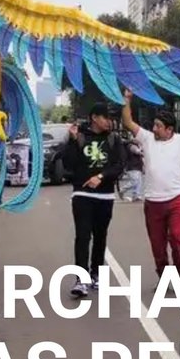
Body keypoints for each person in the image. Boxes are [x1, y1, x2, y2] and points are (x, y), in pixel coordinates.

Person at [121, 88, 180, 282]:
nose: (154, 129)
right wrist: (127, 99)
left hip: (176, 199)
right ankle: (163, 275)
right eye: (154, 125)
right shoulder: (146, 138)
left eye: (158, 126)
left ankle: (178, 273)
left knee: (177, 237)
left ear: (169, 129)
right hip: (153, 202)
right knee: (157, 245)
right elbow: (127, 122)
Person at [63, 103, 125, 298]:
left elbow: (119, 165)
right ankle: (81, 279)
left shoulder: (114, 139)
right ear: (95, 118)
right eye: (106, 117)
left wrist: (101, 176)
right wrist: (72, 141)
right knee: (83, 235)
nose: (109, 121)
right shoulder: (80, 137)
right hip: (82, 194)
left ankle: (96, 273)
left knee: (100, 235)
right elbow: (68, 164)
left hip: (105, 195)